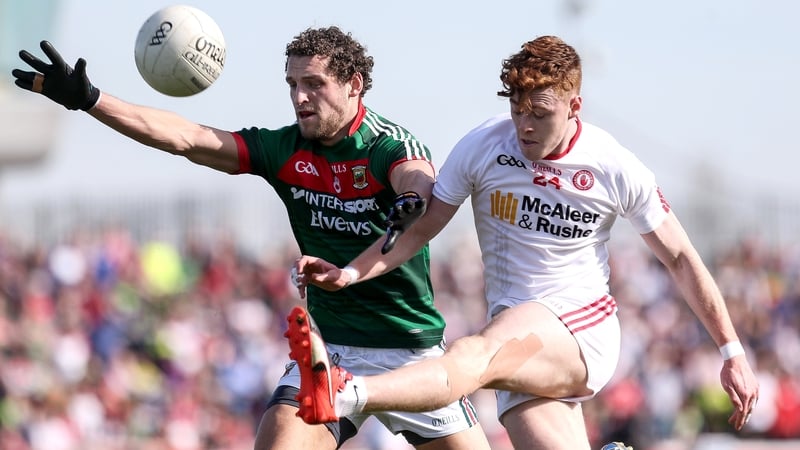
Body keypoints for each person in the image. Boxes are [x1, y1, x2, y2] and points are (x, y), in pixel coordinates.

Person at [11, 27, 490, 450]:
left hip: (410, 353)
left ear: (354, 85)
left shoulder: (387, 144)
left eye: (314, 84)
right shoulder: (283, 149)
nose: (300, 97)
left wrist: (412, 197)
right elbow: (186, 138)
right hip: (329, 352)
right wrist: (92, 99)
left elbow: (416, 177)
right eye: (293, 85)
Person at [289, 35, 760, 449]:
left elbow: (679, 256)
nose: (525, 125)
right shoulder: (484, 145)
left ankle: (347, 391)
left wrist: (731, 352)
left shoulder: (614, 165)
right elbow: (421, 228)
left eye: (540, 112)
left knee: (473, 355)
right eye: (517, 109)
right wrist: (350, 272)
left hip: (579, 328)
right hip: (518, 333)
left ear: (575, 106)